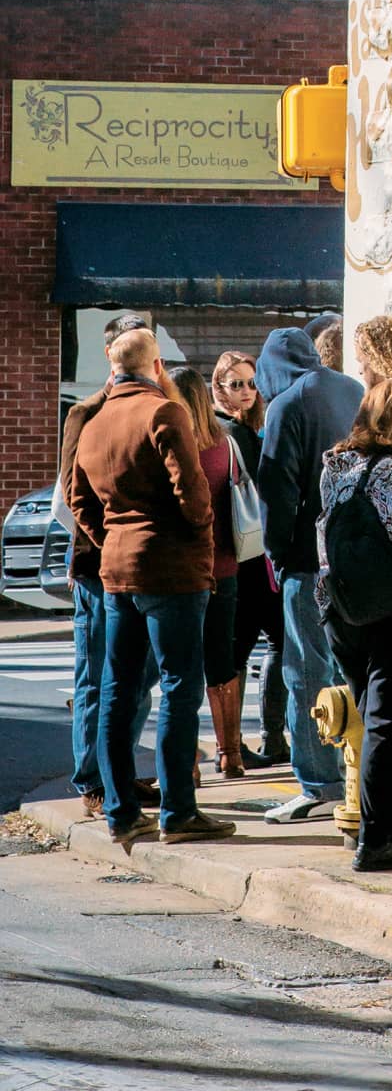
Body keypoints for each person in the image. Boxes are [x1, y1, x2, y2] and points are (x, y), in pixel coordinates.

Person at [67, 327, 236, 846]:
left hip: (117, 570)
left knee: (117, 688)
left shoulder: (94, 420)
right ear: (157, 364)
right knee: (181, 687)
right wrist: (198, 541)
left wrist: (112, 536)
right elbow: (194, 494)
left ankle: (119, 811)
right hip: (172, 570)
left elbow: (77, 498)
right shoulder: (165, 412)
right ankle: (178, 813)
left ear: (112, 366)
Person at [318, 377, 392, 873]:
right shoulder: (389, 469)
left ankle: (382, 832)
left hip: (342, 607)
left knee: (377, 721)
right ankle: (382, 838)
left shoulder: (338, 465)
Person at [255, 324, 362, 822]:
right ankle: (354, 774)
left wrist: (276, 552)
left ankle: (317, 782)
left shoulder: (286, 405)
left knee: (303, 670)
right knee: (350, 667)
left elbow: (276, 487)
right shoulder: (351, 389)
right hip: (356, 550)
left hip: (304, 556)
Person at [59, 313, 160, 817]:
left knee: (139, 674)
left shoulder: (155, 407)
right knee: (98, 675)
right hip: (95, 566)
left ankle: (118, 771)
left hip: (140, 566)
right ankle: (92, 781)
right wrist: (106, 540)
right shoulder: (87, 411)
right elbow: (70, 496)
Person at [212, 350, 288, 769]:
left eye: (250, 383)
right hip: (245, 555)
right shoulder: (228, 432)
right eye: (234, 384)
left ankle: (258, 741)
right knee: (247, 646)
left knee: (260, 644)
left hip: (254, 553)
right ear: (219, 387)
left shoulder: (251, 426)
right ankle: (239, 746)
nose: (245, 391)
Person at [172, 368, 244, 780]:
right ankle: (230, 753)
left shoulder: (172, 444)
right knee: (221, 660)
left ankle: (188, 761)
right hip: (226, 565)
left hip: (183, 570)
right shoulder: (225, 443)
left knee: (181, 665)